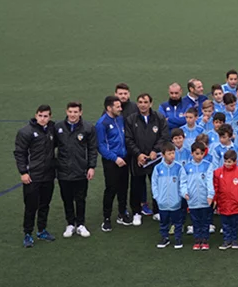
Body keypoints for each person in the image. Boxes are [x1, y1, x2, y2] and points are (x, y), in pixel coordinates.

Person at [15, 105, 58, 247]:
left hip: (48, 176)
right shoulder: (25, 132)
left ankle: (41, 230)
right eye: (40, 115)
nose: (42, 119)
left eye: (45, 116)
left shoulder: (52, 130)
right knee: (31, 206)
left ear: (50, 117)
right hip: (32, 176)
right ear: (36, 115)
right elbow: (20, 153)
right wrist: (23, 172)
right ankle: (28, 233)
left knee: (45, 204)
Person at [54, 101, 97, 239]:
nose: (73, 115)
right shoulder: (58, 127)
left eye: (76, 112)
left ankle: (81, 224)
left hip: (81, 170)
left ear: (80, 112)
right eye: (70, 112)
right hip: (63, 170)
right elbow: (50, 147)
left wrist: (91, 167)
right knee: (67, 198)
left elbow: (92, 149)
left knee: (80, 198)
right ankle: (70, 224)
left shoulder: (88, 128)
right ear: (66, 111)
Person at [124, 93, 169, 225]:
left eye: (145, 102)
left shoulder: (159, 118)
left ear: (151, 103)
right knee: (136, 185)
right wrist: (138, 154)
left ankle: (157, 211)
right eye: (140, 102)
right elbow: (128, 139)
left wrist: (155, 150)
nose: (143, 105)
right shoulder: (131, 119)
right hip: (138, 159)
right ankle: (137, 212)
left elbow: (164, 136)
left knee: (157, 185)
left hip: (155, 159)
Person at [96, 95, 130, 231]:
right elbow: (101, 146)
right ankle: (107, 218)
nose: (120, 109)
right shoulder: (101, 123)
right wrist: (115, 158)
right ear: (109, 108)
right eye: (118, 107)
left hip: (124, 159)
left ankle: (122, 213)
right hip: (112, 162)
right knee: (111, 189)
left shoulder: (120, 119)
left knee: (123, 188)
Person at [181, 141, 215, 250]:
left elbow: (210, 181)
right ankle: (197, 240)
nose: (199, 156)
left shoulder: (208, 166)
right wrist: (184, 192)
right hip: (192, 200)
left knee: (205, 221)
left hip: (205, 199)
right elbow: (183, 182)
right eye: (197, 153)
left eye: (201, 153)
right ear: (192, 154)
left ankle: (205, 240)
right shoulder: (186, 167)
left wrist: (210, 195)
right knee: (195, 221)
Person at [152, 142, 185, 249]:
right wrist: (157, 197)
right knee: (163, 222)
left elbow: (182, 184)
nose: (172, 155)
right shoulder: (158, 168)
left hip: (176, 202)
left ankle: (178, 239)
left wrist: (179, 197)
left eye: (173, 153)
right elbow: (154, 184)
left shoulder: (179, 168)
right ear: (163, 155)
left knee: (177, 222)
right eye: (169, 153)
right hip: (162, 203)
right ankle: (164, 238)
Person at [214, 150, 238, 250]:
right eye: (225, 161)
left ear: (235, 162)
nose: (227, 164)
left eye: (229, 162)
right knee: (225, 224)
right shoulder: (218, 172)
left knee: (234, 223)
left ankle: (234, 240)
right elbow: (216, 187)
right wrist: (216, 199)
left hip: (236, 203)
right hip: (223, 203)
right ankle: (226, 240)